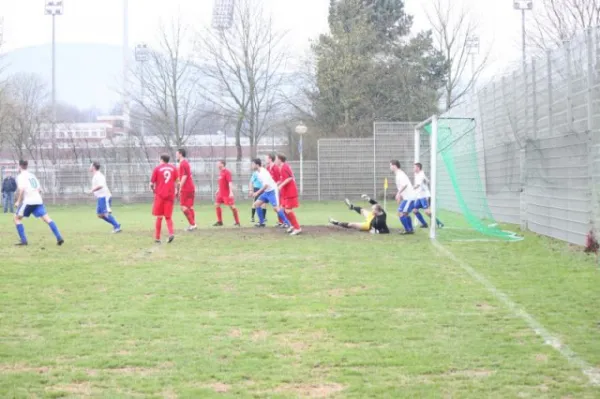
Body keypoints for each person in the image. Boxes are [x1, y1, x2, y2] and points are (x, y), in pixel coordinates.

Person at [13, 160, 64, 246]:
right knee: (47, 219)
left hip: (29, 201)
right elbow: (39, 189)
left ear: (20, 166)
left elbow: (21, 190)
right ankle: (59, 237)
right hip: (38, 200)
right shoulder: (32, 175)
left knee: (16, 218)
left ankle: (24, 241)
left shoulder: (20, 176)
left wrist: (18, 201)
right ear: (27, 166)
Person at [251, 158, 294, 228]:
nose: (251, 166)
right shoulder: (257, 173)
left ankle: (288, 223)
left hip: (272, 191)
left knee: (276, 208)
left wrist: (257, 192)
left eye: (253, 164)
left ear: (257, 165)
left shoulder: (263, 172)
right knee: (256, 204)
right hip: (267, 192)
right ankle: (262, 222)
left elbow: (266, 185)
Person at [150, 155, 178, 243]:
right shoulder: (173, 168)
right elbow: (177, 181)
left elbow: (151, 183)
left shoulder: (157, 169)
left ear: (161, 160)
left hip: (160, 195)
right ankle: (171, 233)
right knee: (168, 217)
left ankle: (157, 238)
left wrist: (153, 190)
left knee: (159, 217)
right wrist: (176, 190)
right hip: (170, 195)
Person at [89, 162, 121, 233]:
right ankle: (116, 224)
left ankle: (117, 227)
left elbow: (101, 186)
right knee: (100, 215)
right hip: (100, 197)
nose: (89, 167)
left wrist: (92, 190)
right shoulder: (96, 175)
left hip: (104, 196)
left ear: (93, 167)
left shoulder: (99, 175)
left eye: (90, 166)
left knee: (105, 214)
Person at [275, 154, 301, 235]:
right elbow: (283, 178)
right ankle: (293, 225)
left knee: (288, 210)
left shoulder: (285, 167)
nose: (275, 160)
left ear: (280, 160)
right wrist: (277, 184)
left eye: (276, 159)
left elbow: (290, 178)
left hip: (290, 192)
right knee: (283, 209)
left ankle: (297, 228)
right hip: (285, 193)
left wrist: (281, 185)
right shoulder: (282, 167)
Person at [413, 162, 443, 229]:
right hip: (419, 197)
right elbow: (427, 181)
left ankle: (439, 223)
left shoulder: (421, 174)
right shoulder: (417, 174)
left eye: (414, 167)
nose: (413, 168)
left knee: (427, 212)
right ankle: (424, 224)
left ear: (418, 168)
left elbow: (417, 185)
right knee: (415, 210)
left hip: (424, 197)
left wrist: (411, 189)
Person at [390, 160, 416, 235]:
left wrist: (398, 193)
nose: (390, 167)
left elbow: (405, 185)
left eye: (390, 165)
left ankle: (408, 230)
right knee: (405, 213)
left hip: (409, 197)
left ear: (394, 166)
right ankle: (410, 229)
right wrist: (400, 196)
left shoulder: (400, 174)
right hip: (408, 197)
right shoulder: (399, 174)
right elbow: (403, 186)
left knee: (400, 213)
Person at [213, 159, 240, 227]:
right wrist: (218, 190)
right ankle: (220, 221)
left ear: (222, 164)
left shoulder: (227, 172)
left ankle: (237, 222)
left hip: (226, 194)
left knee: (232, 207)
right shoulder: (220, 172)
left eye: (218, 163)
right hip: (220, 194)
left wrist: (231, 192)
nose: (217, 165)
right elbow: (222, 183)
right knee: (217, 205)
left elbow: (229, 182)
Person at [176, 149, 197, 231]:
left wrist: (180, 187)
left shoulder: (183, 163)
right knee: (190, 207)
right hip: (190, 187)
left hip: (186, 188)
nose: (176, 155)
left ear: (180, 154)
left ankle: (192, 224)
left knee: (183, 207)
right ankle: (193, 224)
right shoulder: (185, 163)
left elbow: (185, 176)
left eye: (177, 154)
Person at [266, 153, 286, 228]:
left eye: (267, 158)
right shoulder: (267, 168)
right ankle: (281, 221)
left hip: (277, 189)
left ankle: (284, 222)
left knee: (279, 205)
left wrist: (276, 186)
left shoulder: (276, 168)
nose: (265, 160)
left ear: (270, 159)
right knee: (276, 206)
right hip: (271, 190)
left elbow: (279, 179)